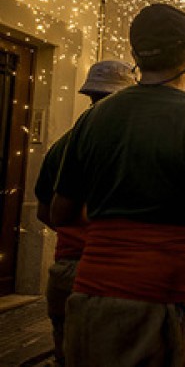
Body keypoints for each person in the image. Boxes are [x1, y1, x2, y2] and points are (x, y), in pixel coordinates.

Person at [50, 3, 185, 366]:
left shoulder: (93, 119)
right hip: (156, 313)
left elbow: (61, 212)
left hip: (87, 309)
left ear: (136, 57)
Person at [34, 60, 135, 366]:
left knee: (69, 356)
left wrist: (78, 235)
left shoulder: (63, 145)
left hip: (67, 270)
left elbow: (44, 213)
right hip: (118, 273)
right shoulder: (130, 146)